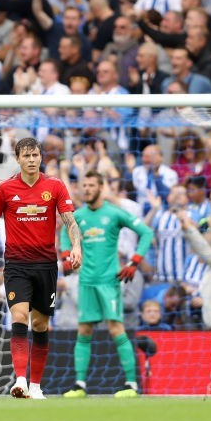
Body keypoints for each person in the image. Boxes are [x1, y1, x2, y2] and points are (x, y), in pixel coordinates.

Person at [0, 137, 82, 399]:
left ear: (40, 157)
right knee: (20, 316)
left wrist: (76, 246)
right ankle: (20, 380)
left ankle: (36, 385)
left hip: (46, 265)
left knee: (41, 325)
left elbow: (70, 221)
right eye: (27, 156)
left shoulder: (55, 186)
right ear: (18, 158)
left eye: (35, 155)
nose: (32, 160)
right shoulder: (4, 189)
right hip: (16, 265)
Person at [59, 171, 154, 399]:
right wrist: (66, 255)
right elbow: (65, 231)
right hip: (86, 281)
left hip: (109, 282)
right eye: (84, 185)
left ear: (101, 188)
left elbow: (146, 232)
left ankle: (131, 384)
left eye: (92, 185)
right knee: (84, 330)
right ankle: (80, 385)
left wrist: (134, 261)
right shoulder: (77, 216)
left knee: (115, 329)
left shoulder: (114, 213)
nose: (87, 189)